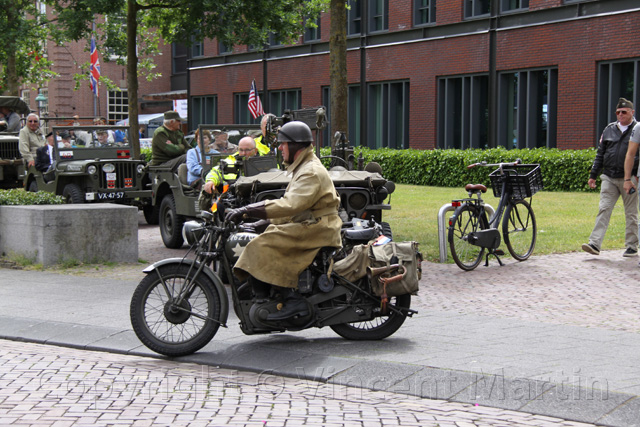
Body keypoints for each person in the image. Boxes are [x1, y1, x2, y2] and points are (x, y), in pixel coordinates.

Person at [225, 121, 342, 321]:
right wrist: (256, 224)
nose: (280, 148)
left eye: (283, 144)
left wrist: (246, 210)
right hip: (311, 222)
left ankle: (292, 299)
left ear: (295, 145)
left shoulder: (310, 171)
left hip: (319, 228)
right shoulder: (303, 167)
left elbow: (289, 205)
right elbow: (292, 210)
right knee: (265, 233)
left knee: (262, 244)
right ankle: (273, 292)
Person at [583, 97, 639, 257]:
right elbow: (600, 153)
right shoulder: (609, 129)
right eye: (618, 112)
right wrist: (593, 174)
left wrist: (636, 177)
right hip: (609, 176)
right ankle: (594, 243)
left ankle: (632, 246)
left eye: (624, 112)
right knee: (604, 208)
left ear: (632, 112)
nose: (620, 115)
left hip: (631, 178)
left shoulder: (637, 129)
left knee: (631, 212)